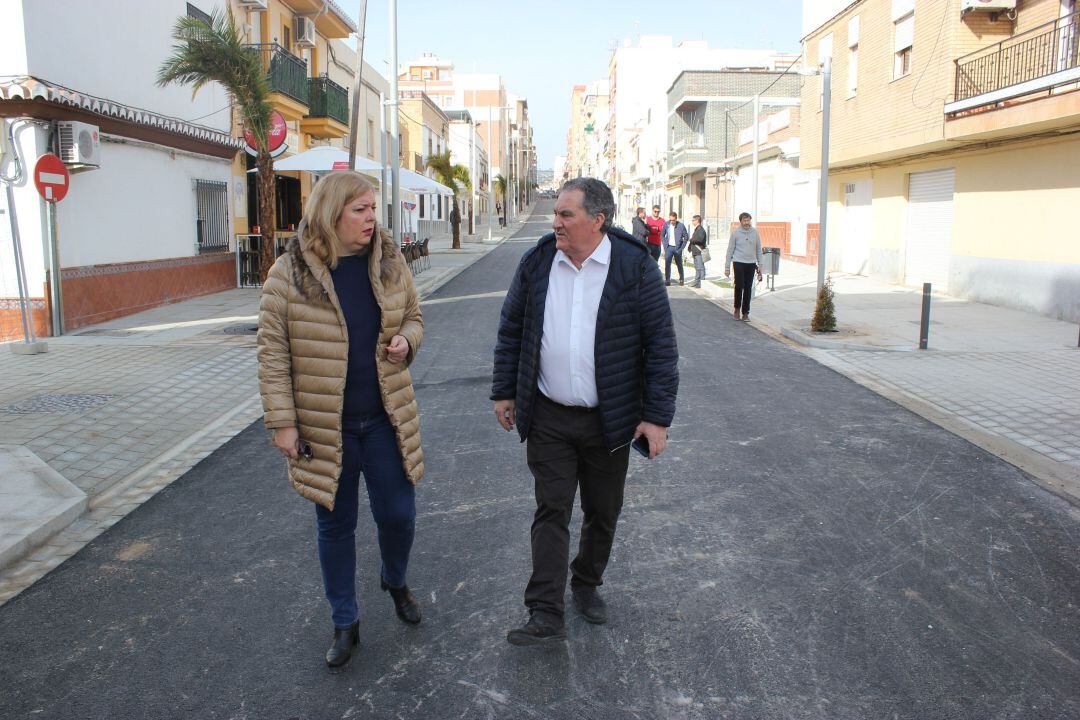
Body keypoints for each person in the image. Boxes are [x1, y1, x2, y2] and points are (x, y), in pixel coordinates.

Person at [491, 177, 679, 646]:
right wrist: (504, 391)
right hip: (550, 413)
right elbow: (511, 328)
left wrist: (656, 418)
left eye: (566, 214)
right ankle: (544, 609)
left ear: (598, 219)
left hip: (609, 417)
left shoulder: (634, 266)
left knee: (602, 511)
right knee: (551, 509)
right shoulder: (538, 261)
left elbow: (661, 347)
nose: (555, 221)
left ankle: (587, 583)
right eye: (556, 214)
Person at [257, 171, 426, 670]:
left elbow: (415, 316)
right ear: (332, 215)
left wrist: (407, 341)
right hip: (322, 426)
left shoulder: (391, 263)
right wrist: (282, 423)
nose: (372, 217)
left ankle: (394, 579)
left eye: (373, 208)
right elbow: (272, 353)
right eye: (360, 209)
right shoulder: (288, 274)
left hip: (384, 418)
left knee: (399, 513)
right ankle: (345, 620)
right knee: (335, 524)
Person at [725, 211, 764, 321]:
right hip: (738, 262)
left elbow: (758, 250)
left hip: (751, 263)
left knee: (748, 288)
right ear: (741, 221)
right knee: (739, 285)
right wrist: (727, 267)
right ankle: (737, 308)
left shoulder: (755, 233)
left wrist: (760, 265)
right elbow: (730, 251)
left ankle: (745, 312)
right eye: (745, 220)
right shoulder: (735, 233)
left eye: (748, 220)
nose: (747, 223)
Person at [662, 211, 689, 287]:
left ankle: (681, 279)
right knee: (667, 264)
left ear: (676, 219)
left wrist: (681, 248)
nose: (671, 222)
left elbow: (686, 237)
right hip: (669, 247)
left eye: (673, 220)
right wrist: (665, 245)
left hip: (677, 248)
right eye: (670, 220)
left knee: (679, 264)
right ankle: (667, 280)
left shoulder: (681, 226)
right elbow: (662, 235)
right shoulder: (667, 224)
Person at [688, 215, 708, 288]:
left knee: (700, 267)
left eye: (693, 220)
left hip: (699, 252)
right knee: (697, 267)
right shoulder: (697, 229)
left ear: (697, 221)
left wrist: (691, 240)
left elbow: (700, 239)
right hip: (695, 252)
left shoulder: (701, 229)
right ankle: (696, 281)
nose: (692, 222)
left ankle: (701, 282)